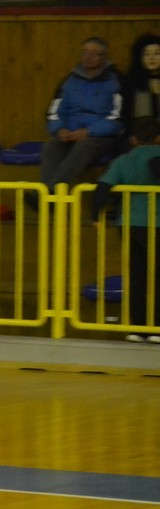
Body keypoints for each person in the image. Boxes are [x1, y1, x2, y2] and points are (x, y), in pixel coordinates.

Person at [91, 116, 160, 343]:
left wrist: (95, 216)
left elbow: (102, 189)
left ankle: (137, 328)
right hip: (157, 223)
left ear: (133, 139)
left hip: (129, 224)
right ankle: (157, 327)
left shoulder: (123, 160)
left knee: (136, 275)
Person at [40, 37, 124, 193]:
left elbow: (118, 117)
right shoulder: (69, 80)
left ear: (104, 57)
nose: (88, 57)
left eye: (94, 53)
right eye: (85, 53)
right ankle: (48, 194)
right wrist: (59, 129)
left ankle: (49, 192)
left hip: (101, 137)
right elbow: (54, 112)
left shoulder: (116, 81)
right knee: (52, 145)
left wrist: (89, 131)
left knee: (84, 145)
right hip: (70, 133)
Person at [121, 34, 160, 146]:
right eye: (146, 54)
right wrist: (131, 135)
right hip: (137, 137)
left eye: (157, 53)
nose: (151, 58)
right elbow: (124, 113)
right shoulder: (130, 83)